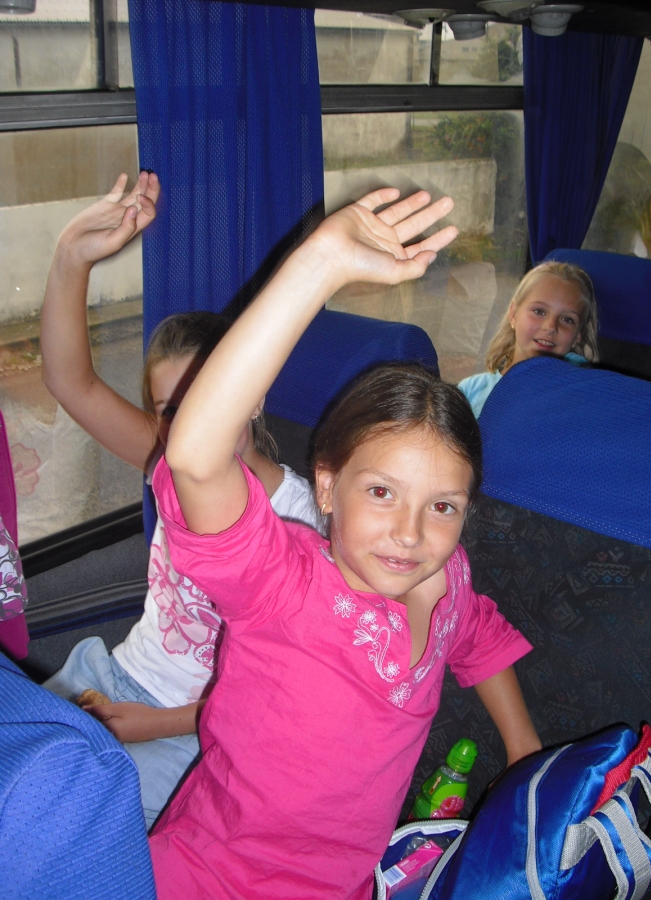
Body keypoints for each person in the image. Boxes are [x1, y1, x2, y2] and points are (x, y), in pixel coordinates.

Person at [148, 184, 542, 899]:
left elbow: (475, 636)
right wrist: (319, 266)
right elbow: (197, 459)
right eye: (381, 492)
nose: (410, 533)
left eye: (443, 506)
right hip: (211, 877)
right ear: (326, 488)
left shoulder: (446, 578)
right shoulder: (283, 585)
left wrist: (523, 753)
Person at [40, 172, 321, 829]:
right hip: (115, 678)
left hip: (201, 725)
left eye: (207, 399)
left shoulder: (301, 522)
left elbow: (278, 690)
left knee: (72, 830)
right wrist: (70, 256)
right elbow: (69, 381)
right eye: (170, 410)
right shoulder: (168, 461)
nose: (189, 426)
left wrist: (151, 724)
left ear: (251, 395)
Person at [458, 261, 600, 418]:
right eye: (539, 311)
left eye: (567, 319)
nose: (550, 326)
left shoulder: (581, 394)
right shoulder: (470, 391)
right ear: (513, 314)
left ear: (579, 335)